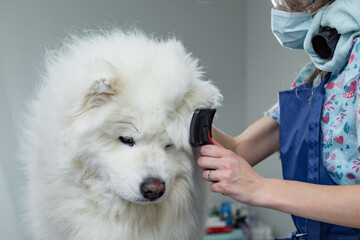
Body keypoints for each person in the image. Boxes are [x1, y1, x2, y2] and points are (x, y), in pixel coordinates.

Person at [197, 0, 360, 239]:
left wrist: (261, 188)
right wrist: (183, 106)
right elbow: (238, 149)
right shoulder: (314, 77)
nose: (277, 6)